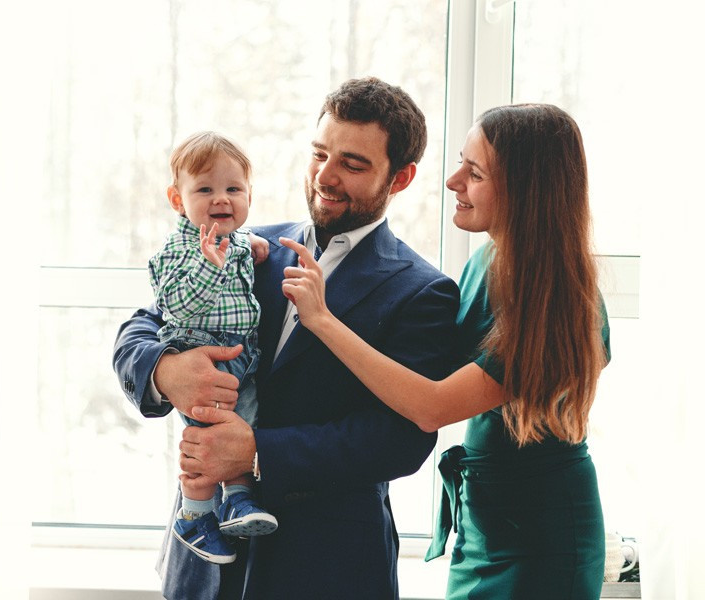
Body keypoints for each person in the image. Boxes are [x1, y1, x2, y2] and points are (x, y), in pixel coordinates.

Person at [113, 77, 462, 600]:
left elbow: (399, 441)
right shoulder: (242, 246)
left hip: (327, 568)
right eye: (320, 153)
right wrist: (166, 372)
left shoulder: (423, 291)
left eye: (353, 163)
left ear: (402, 177)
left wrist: (257, 452)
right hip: (205, 570)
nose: (325, 175)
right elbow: (137, 330)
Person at [279, 103, 612, 599]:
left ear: (525, 190)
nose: (453, 180)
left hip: (542, 538)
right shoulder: (487, 262)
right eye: (461, 162)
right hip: (486, 523)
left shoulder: (558, 300)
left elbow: (432, 405)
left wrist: (323, 320)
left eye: (474, 172)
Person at [147, 131, 276, 566]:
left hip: (243, 360)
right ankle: (194, 514)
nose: (221, 199)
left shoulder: (238, 242)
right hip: (199, 356)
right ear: (177, 199)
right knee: (206, 441)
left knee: (242, 432)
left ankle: (239, 501)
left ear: (249, 196)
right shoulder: (180, 249)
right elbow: (174, 305)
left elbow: (241, 247)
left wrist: (251, 244)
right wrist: (209, 266)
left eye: (233, 189)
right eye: (205, 189)